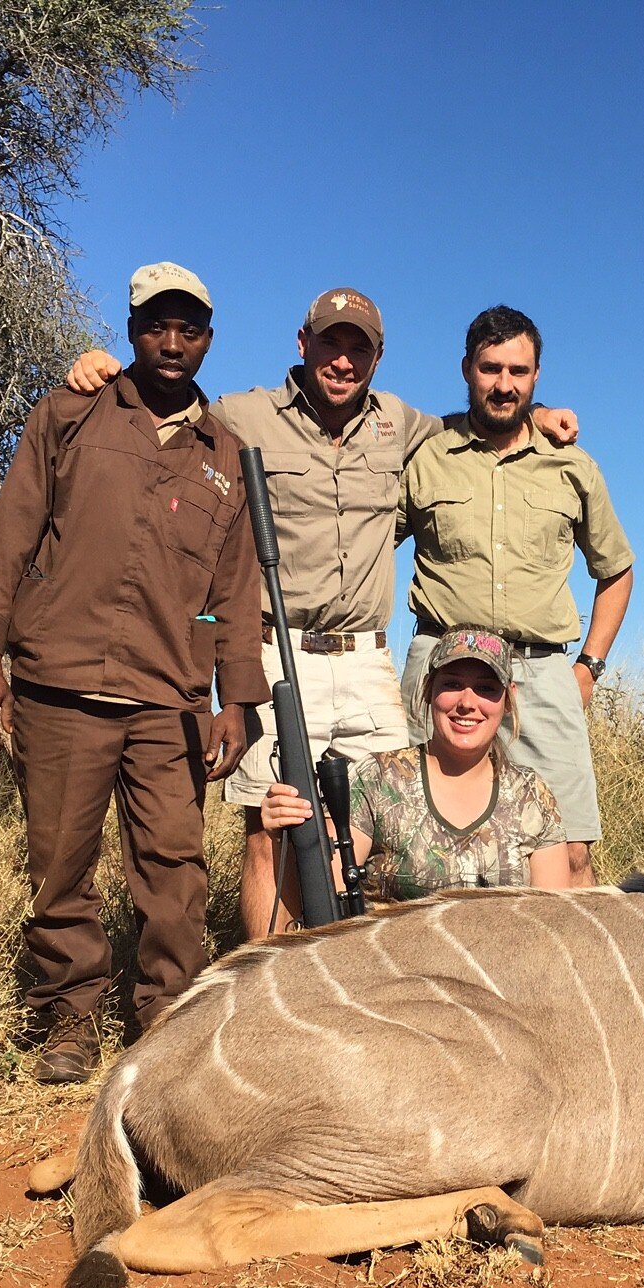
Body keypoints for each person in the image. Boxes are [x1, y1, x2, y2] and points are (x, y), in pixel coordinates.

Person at [62, 290, 579, 936]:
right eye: (330, 343)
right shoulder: (244, 414)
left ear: (377, 357)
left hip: (365, 659)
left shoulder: (401, 424)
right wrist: (103, 371)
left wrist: (546, 413)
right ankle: (265, 986)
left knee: (401, 814)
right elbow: (172, 402)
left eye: (358, 347)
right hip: (277, 648)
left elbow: (485, 419)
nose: (342, 360)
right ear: (302, 344)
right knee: (270, 828)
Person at [0, 262, 264, 1084]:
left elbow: (234, 589)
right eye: (156, 325)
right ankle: (71, 1016)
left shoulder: (227, 455)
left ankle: (167, 1016)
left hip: (169, 696)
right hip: (59, 682)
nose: (171, 342)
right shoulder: (68, 414)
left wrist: (237, 700)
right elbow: (10, 534)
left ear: (207, 340)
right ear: (130, 331)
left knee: (174, 864)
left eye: (188, 328)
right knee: (60, 864)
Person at [397, 305, 633, 888]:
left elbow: (617, 570)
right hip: (443, 668)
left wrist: (588, 668)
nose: (504, 385)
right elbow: (368, 541)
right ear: (466, 370)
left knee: (570, 850)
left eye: (519, 372)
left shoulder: (574, 467)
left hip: (540, 670)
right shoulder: (425, 456)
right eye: (490, 368)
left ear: (536, 375)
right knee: (416, 846)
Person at [258, 627, 568, 905]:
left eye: (486, 688)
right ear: (429, 690)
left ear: (508, 698)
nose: (467, 703)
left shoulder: (532, 795)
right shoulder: (377, 779)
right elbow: (325, 902)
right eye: (452, 684)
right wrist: (284, 839)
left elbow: (551, 925)